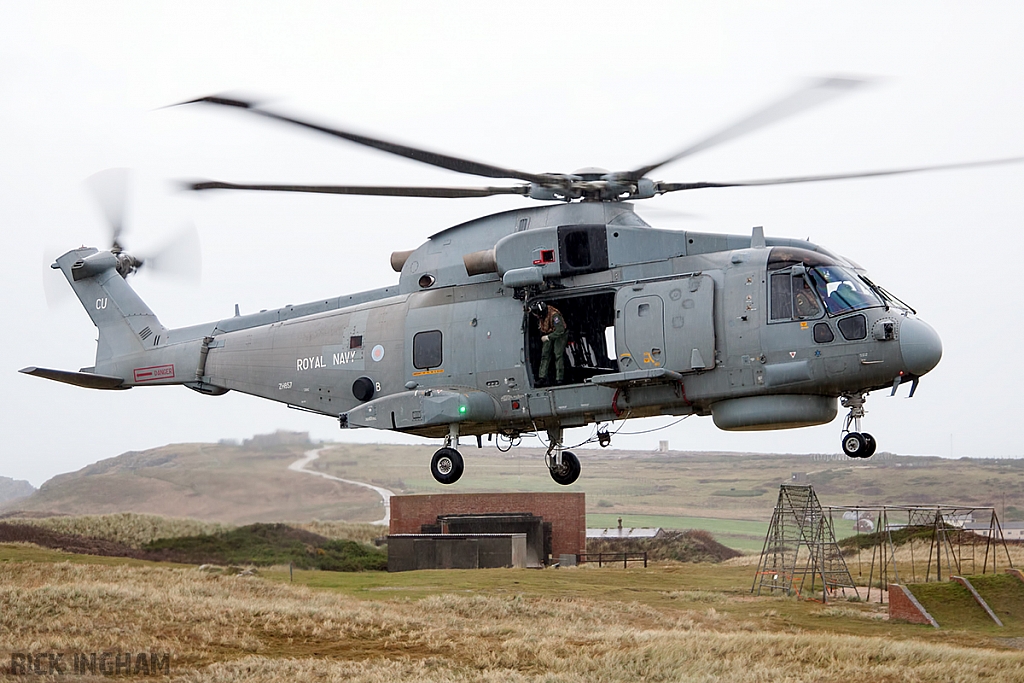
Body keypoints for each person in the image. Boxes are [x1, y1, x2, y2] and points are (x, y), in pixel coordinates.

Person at [530, 300, 568, 385]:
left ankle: (559, 378)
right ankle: (542, 377)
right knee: (545, 354)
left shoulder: (555, 316)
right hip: (549, 332)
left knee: (558, 354)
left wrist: (548, 337)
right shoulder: (542, 315)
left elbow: (560, 330)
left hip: (559, 334)